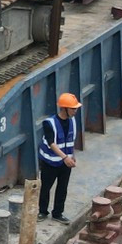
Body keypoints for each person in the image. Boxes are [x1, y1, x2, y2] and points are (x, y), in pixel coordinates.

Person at [37, 92, 82, 221]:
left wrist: (72, 155)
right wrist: (65, 157)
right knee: (46, 187)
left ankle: (57, 213)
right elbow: (51, 143)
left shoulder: (72, 121)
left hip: (65, 163)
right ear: (64, 108)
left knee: (62, 188)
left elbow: (71, 139)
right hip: (50, 162)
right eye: (73, 108)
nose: (75, 111)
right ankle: (42, 211)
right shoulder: (49, 123)